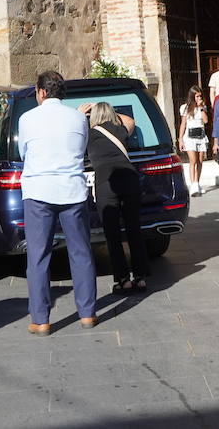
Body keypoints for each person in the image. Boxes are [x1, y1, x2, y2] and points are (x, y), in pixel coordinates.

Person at [17, 71, 97, 336]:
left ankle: (41, 319)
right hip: (72, 190)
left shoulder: (27, 119)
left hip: (39, 191)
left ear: (41, 92)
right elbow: (83, 147)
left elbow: (24, 152)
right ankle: (87, 313)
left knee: (38, 256)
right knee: (81, 252)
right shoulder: (77, 117)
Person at [85, 102, 149, 293]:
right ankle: (140, 278)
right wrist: (111, 112)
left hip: (106, 184)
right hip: (129, 180)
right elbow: (131, 120)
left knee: (112, 235)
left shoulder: (88, 134)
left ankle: (123, 280)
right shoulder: (120, 130)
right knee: (134, 231)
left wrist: (83, 114)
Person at [178, 87, 209, 197]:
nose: (199, 98)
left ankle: (197, 182)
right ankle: (193, 185)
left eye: (200, 96)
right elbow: (183, 124)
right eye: (197, 96)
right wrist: (180, 139)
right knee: (193, 160)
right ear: (192, 96)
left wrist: (201, 107)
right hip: (190, 136)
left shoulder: (202, 107)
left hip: (200, 135)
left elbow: (205, 121)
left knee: (200, 160)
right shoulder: (185, 108)